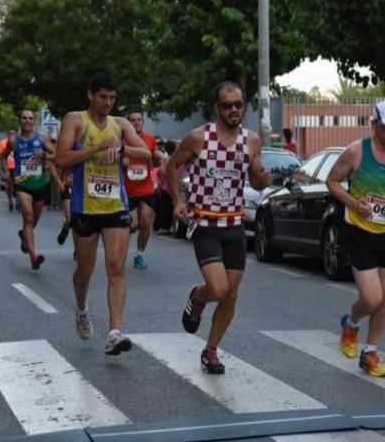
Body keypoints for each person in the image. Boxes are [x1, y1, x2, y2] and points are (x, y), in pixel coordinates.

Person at [167, 82, 274, 375]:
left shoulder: (251, 141)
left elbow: (255, 176)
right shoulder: (199, 138)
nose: (233, 110)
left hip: (235, 225)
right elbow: (171, 165)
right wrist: (178, 200)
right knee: (217, 288)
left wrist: (263, 180)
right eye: (227, 105)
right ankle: (198, 296)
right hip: (205, 224)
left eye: (238, 104)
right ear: (217, 108)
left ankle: (210, 350)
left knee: (230, 295)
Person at [54, 73, 152, 356]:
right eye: (102, 97)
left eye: (112, 98)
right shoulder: (75, 120)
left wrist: (120, 147)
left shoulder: (120, 124)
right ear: (90, 95)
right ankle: (82, 309)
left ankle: (114, 332)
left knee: (116, 268)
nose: (108, 103)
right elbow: (61, 159)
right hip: (85, 207)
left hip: (115, 207)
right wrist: (96, 148)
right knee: (85, 270)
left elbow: (145, 152)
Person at [326, 100, 385, 378]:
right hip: (359, 231)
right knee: (372, 297)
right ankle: (351, 323)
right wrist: (353, 203)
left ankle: (370, 352)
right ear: (374, 124)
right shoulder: (356, 152)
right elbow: (332, 181)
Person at [0, 110, 55, 269]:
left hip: (40, 184)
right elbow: (3, 156)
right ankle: (34, 256)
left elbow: (57, 155)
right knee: (28, 218)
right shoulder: (13, 141)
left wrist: (44, 156)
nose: (27, 121)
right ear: (20, 121)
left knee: (34, 221)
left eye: (30, 118)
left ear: (33, 121)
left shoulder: (42, 139)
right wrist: (5, 172)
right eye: (24, 118)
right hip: (22, 184)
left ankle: (24, 236)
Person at [123, 109, 163, 269]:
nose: (136, 122)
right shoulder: (123, 140)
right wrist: (121, 162)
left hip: (146, 188)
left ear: (143, 122)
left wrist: (158, 158)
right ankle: (124, 236)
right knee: (133, 224)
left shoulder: (150, 139)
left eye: (139, 119)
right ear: (128, 122)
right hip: (128, 189)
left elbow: (155, 163)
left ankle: (139, 255)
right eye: (133, 120)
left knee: (146, 221)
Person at [0, 130, 17, 212]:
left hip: (17, 167)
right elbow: (1, 156)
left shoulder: (18, 142)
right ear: (8, 135)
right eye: (11, 134)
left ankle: (18, 202)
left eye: (13, 134)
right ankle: (10, 202)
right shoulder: (2, 143)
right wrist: (4, 170)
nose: (12, 135)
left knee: (19, 185)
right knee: (9, 186)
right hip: (8, 167)